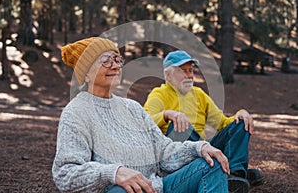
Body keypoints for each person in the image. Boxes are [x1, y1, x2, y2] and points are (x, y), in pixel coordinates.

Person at [52, 37, 231, 193]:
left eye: (117, 59)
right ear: (86, 74)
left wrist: (198, 148)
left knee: (212, 164)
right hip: (119, 191)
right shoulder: (76, 113)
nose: (115, 66)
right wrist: (114, 173)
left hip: (158, 187)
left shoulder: (133, 108)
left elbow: (164, 151)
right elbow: (65, 173)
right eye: (105, 61)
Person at [143, 50, 264, 192]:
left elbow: (222, 123)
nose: (189, 75)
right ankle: (219, 174)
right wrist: (167, 114)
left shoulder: (199, 94)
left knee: (241, 123)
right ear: (168, 75)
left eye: (191, 70)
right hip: (178, 155)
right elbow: (145, 123)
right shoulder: (159, 94)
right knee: (179, 126)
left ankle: (235, 174)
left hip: (204, 147)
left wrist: (240, 114)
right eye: (183, 71)